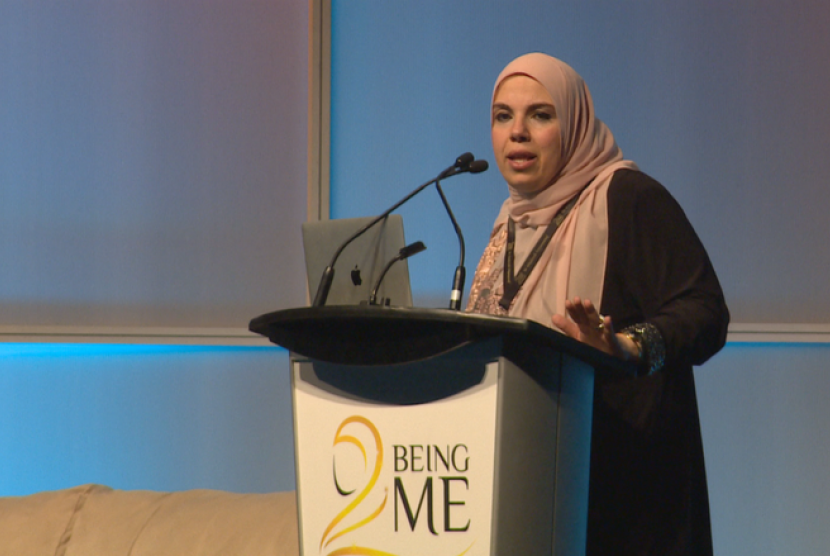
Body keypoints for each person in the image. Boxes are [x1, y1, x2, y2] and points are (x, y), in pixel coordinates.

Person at [466, 53, 729, 556]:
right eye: (503, 116)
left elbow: (706, 310)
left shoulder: (627, 198)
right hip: (530, 492)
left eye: (540, 115)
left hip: (628, 502)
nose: (517, 132)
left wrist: (626, 346)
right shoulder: (511, 221)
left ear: (575, 123)